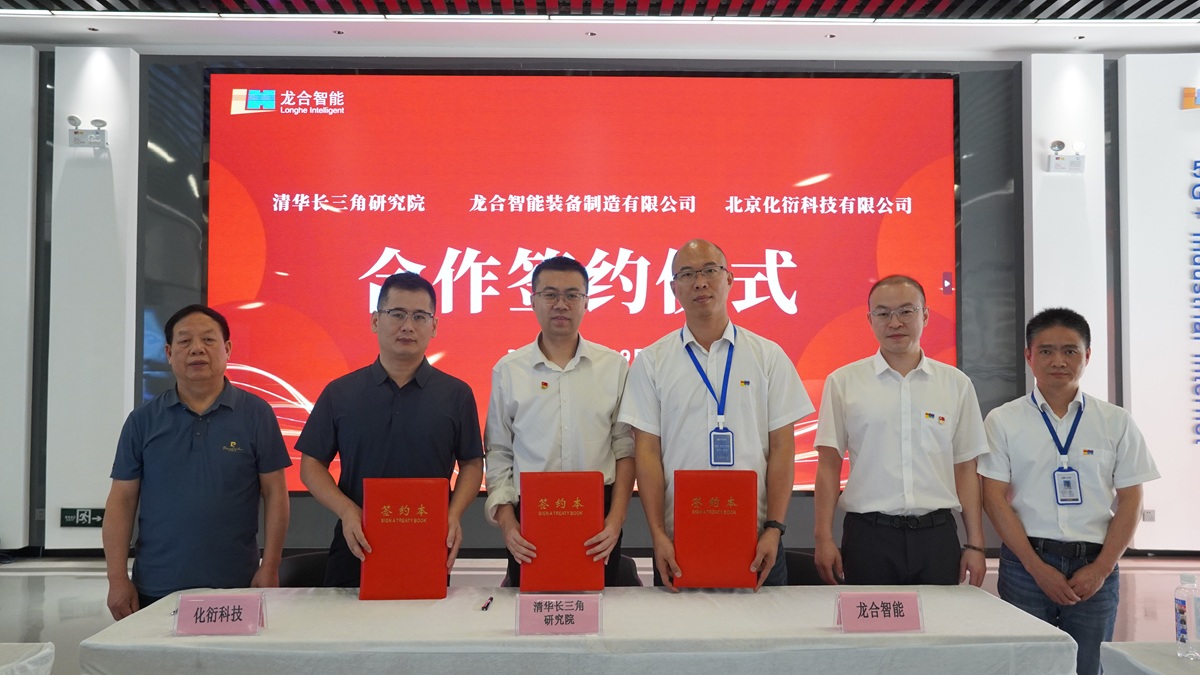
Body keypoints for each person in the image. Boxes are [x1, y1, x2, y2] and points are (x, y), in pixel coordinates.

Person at [619, 239, 813, 591]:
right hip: (678, 539)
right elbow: (646, 453)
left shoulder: (768, 356)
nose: (700, 282)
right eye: (687, 274)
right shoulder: (652, 361)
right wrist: (657, 535)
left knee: (766, 626)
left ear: (730, 279)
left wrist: (774, 528)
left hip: (757, 537)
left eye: (710, 270)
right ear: (673, 289)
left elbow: (783, 448)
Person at [978, 308, 1159, 675]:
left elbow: (1131, 499)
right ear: (1028, 356)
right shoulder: (1003, 420)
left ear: (1087, 355)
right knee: (1027, 666)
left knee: (1088, 666)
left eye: (1070, 351)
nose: (1058, 361)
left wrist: (1101, 569)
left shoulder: (1116, 421)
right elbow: (993, 498)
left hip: (1095, 566)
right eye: (1046, 351)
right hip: (1026, 565)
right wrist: (1036, 567)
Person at [102, 305, 291, 619]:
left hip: (236, 586)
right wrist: (117, 578)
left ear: (227, 349)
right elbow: (121, 500)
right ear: (169, 352)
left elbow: (276, 494)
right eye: (185, 341)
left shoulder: (257, 414)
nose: (197, 349)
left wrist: (270, 566)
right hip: (157, 586)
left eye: (208, 339)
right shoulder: (142, 420)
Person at [297, 272, 484, 588]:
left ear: (434, 326)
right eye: (397, 314)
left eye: (420, 316)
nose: (408, 325)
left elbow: (472, 464)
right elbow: (311, 465)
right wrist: (347, 510)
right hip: (356, 544)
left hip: (429, 543)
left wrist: (453, 514)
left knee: (425, 619)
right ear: (375, 320)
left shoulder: (456, 394)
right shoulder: (340, 392)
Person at [813, 274, 988, 587]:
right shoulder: (843, 382)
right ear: (870, 320)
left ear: (925, 315)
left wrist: (975, 544)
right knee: (872, 620)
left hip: (936, 537)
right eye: (883, 313)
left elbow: (965, 469)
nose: (895, 323)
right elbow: (828, 465)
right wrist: (823, 538)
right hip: (869, 536)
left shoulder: (956, 384)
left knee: (939, 620)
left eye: (906, 311)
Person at [484, 256, 635, 586]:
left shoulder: (614, 367)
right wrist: (508, 524)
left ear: (587, 302)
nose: (561, 304)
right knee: (531, 611)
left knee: (602, 610)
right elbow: (499, 453)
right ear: (532, 300)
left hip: (598, 518)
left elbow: (625, 450)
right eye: (550, 294)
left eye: (572, 295)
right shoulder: (509, 370)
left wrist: (616, 519)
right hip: (529, 520)